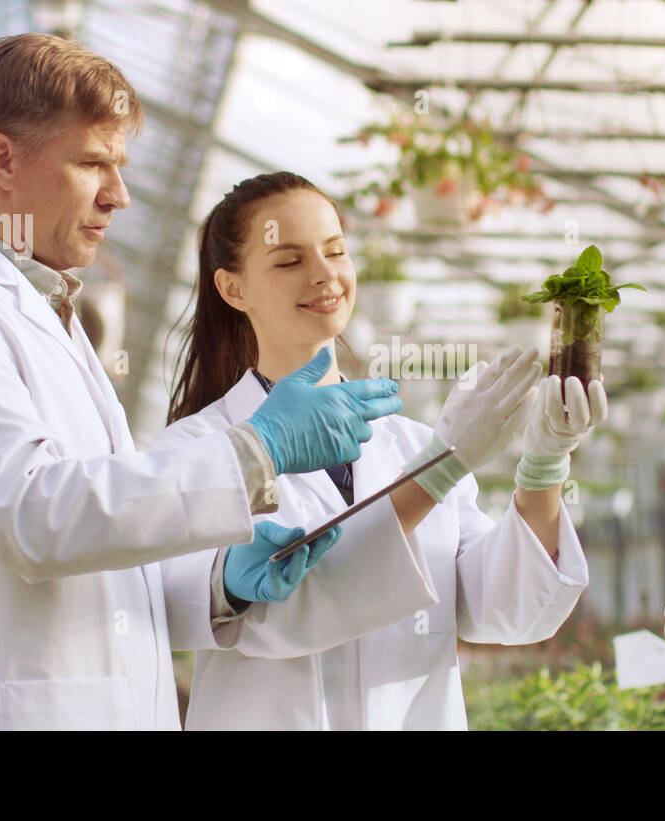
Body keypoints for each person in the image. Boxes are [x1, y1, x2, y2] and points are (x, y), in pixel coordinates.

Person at [0, 34, 402, 730]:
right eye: (92, 163)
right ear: (2, 159)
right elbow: (31, 517)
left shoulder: (54, 319)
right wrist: (255, 451)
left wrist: (217, 581)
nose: (120, 195)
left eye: (121, 164)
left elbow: (101, 558)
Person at [153, 172, 607, 730]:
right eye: (289, 260)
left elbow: (505, 612)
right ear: (233, 288)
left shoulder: (413, 444)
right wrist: (442, 470)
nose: (324, 275)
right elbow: (272, 619)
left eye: (336, 251)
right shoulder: (200, 452)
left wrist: (541, 468)